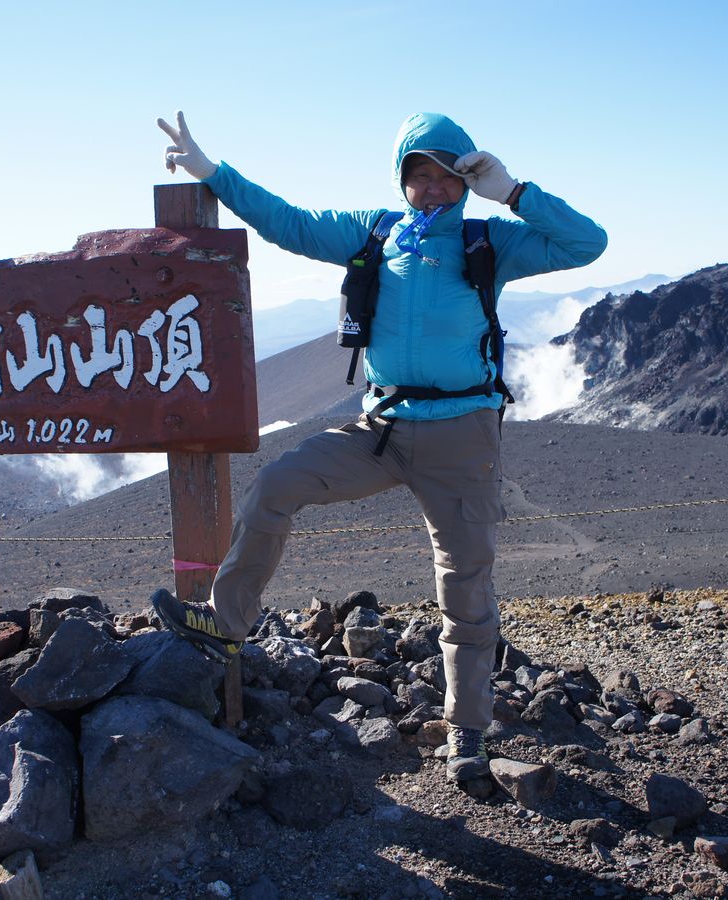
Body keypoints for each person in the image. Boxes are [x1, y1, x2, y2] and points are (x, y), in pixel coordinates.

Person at [152, 110, 608, 782]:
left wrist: (511, 191)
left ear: (464, 177)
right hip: (382, 429)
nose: (432, 188)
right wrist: (212, 173)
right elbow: (290, 222)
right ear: (402, 180)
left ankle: (468, 733)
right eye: (418, 175)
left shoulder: (491, 242)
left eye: (446, 175)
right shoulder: (375, 232)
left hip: (462, 438)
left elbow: (587, 244)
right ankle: (227, 623)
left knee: (466, 586)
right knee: (277, 485)